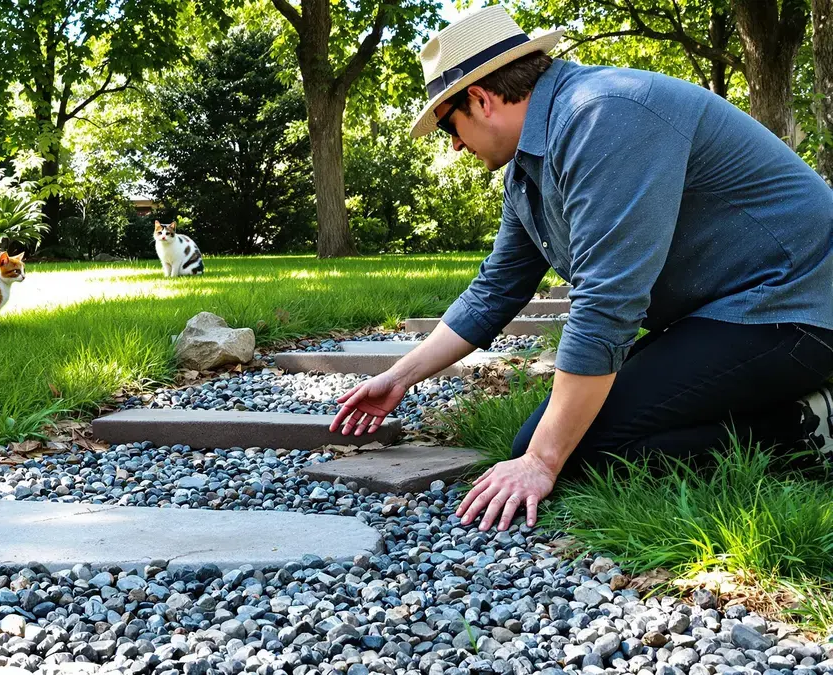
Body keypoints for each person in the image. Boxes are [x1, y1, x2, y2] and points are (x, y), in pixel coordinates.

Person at [330, 5, 833, 533]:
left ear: (480, 98)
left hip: (792, 307)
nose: (453, 144)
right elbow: (495, 291)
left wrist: (540, 464)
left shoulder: (603, 115)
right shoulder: (530, 168)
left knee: (556, 453)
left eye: (447, 126)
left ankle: (803, 429)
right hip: (728, 316)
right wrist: (399, 377)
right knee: (559, 441)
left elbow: (608, 302)